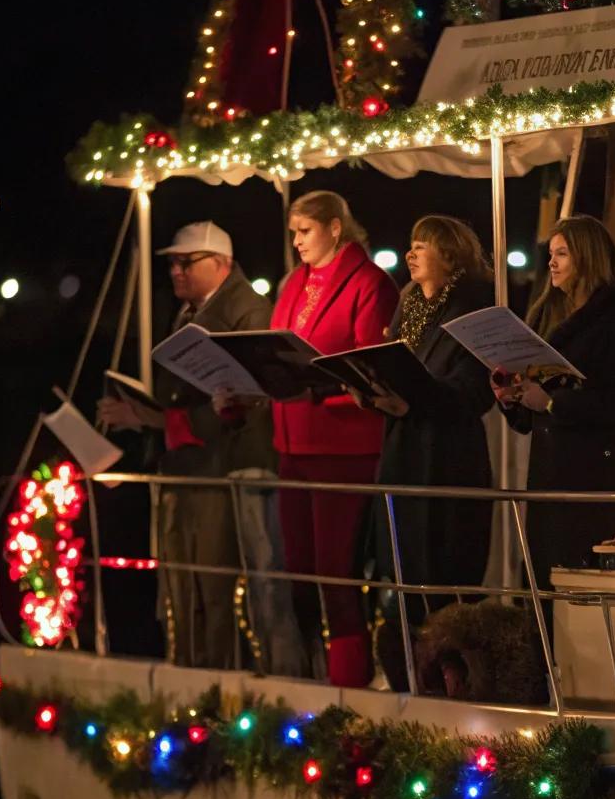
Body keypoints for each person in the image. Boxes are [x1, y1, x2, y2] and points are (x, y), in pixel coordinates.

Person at [98, 220, 278, 669]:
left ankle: (220, 684)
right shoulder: (187, 311)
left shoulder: (247, 311)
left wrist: (149, 417)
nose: (176, 271)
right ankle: (189, 673)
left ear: (222, 263)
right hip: (186, 465)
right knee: (181, 583)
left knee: (216, 585)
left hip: (221, 467)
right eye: (172, 264)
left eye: (186, 262)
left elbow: (248, 398)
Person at [272, 190, 398, 687]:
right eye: (293, 233)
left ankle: (350, 683)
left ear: (335, 228)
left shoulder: (369, 283)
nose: (297, 241)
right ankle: (313, 678)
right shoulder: (295, 283)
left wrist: (319, 386)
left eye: (305, 230)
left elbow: (372, 368)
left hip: (343, 447)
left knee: (336, 573)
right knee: (299, 573)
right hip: (292, 445)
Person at [493, 214, 615, 591]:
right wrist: (511, 398)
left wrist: (553, 404)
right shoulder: (547, 312)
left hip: (600, 475)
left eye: (562, 254)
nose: (551, 263)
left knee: (590, 584)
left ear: (588, 257)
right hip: (552, 475)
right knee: (549, 577)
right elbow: (527, 418)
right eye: (551, 253)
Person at [368, 216, 496, 689]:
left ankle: (454, 678)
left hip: (447, 455)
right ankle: (410, 677)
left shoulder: (472, 305)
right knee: (400, 567)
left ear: (452, 254)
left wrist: (415, 400)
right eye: (410, 244)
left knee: (444, 568)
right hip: (403, 450)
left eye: (423, 245)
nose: (411, 253)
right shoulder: (408, 303)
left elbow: (472, 390)